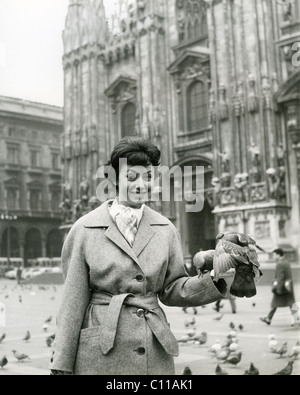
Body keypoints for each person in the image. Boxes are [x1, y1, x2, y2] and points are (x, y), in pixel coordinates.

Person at [50, 136, 230, 376]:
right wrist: (61, 362)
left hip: (152, 346)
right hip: (100, 349)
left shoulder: (165, 228)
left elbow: (173, 287)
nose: (141, 185)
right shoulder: (85, 229)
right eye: (131, 177)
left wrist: (218, 279)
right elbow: (73, 301)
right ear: (113, 179)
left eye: (147, 177)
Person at [260, 248, 299, 327]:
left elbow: (280, 277)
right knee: (290, 303)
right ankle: (269, 318)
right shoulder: (286, 262)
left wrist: (278, 289)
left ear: (278, 254)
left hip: (281, 287)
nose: (273, 256)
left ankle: (269, 319)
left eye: (274, 254)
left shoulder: (280, 264)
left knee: (276, 303)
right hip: (288, 286)